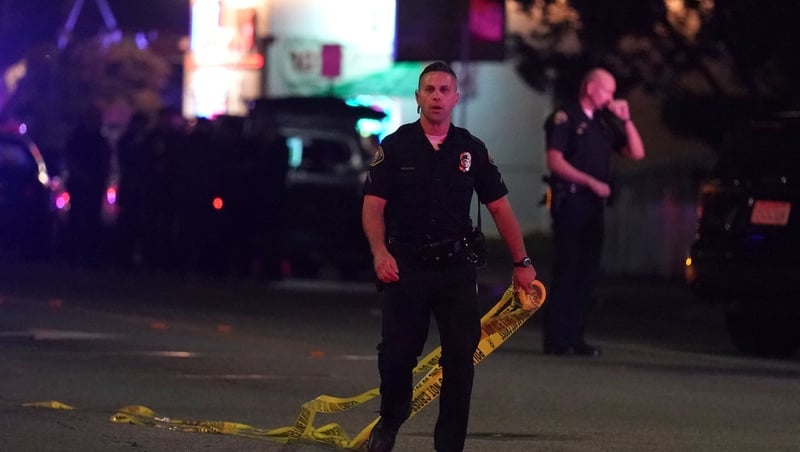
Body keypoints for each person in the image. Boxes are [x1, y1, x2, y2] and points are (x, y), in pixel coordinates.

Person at [361, 61, 538, 452]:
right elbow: (373, 206)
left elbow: (500, 208)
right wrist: (379, 253)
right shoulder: (396, 146)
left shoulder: (470, 149)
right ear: (418, 97)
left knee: (460, 362)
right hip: (405, 268)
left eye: (444, 90)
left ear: (456, 98)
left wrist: (522, 263)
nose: (437, 97)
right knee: (397, 357)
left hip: (456, 270)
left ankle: (449, 446)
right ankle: (390, 421)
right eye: (430, 90)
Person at [541, 67, 645, 357]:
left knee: (587, 271)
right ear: (590, 88)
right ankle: (557, 338)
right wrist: (590, 182)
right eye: (607, 91)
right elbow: (555, 160)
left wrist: (626, 120)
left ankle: (576, 336)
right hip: (571, 201)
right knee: (569, 267)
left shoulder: (604, 123)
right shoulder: (565, 118)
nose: (611, 97)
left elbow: (636, 152)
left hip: (594, 206)